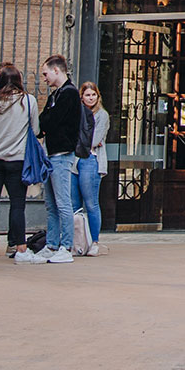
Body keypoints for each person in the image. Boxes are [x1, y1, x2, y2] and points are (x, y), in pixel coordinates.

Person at [0, 65, 44, 263]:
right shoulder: (28, 101)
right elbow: (35, 129)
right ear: (19, 80)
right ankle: (21, 249)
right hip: (17, 159)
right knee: (18, 205)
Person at [36, 54, 82, 264]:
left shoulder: (69, 94)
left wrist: (46, 121)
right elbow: (43, 121)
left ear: (57, 70)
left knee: (63, 202)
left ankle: (66, 246)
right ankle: (52, 244)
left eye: (45, 73)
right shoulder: (56, 94)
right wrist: (46, 121)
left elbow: (50, 121)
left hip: (62, 154)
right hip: (51, 153)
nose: (44, 78)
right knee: (51, 203)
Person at [76, 81, 109, 255]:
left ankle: (95, 241)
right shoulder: (77, 113)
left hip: (91, 159)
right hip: (74, 160)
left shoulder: (101, 115)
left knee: (91, 203)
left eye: (93, 95)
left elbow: (94, 140)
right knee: (74, 204)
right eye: (87, 95)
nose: (90, 98)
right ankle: (78, 241)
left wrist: (81, 141)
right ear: (81, 97)